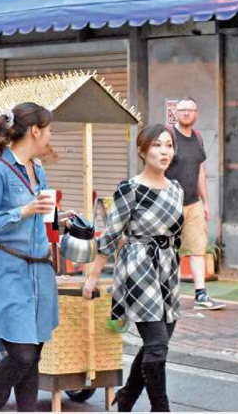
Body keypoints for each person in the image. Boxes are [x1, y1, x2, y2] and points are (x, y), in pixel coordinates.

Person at [0, 102, 75, 412]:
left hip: (38, 270)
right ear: (34, 131)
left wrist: (58, 219)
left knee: (34, 352)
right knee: (21, 354)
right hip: (6, 269)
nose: (50, 136)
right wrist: (24, 210)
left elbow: (39, 220)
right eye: (48, 130)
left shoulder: (38, 168)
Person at [83, 124, 184, 412]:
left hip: (167, 268)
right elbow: (111, 235)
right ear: (142, 150)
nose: (164, 151)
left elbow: (176, 234)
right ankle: (160, 408)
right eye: (157, 145)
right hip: (138, 266)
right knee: (157, 345)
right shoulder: (129, 189)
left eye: (169, 145)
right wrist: (93, 278)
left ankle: (126, 397)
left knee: (157, 343)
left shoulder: (176, 189)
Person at [165, 98, 226, 310]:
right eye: (182, 110)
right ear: (175, 112)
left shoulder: (198, 138)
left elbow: (200, 171)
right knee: (168, 249)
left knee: (198, 248)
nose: (186, 113)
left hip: (193, 203)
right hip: (169, 204)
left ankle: (201, 294)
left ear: (196, 113)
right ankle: (167, 292)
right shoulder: (168, 136)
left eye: (190, 110)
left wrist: (206, 203)